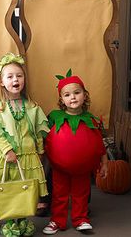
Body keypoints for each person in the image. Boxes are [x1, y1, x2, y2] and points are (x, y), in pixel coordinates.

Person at [36, 0, 87, 217]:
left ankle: (78, 195)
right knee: (47, 134)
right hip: (45, 65)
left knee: (72, 134)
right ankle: (46, 193)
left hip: (74, 66)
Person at [0, 53, 49, 237]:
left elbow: (37, 131)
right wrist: (7, 150)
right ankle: (11, 222)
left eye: (19, 75)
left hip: (28, 156)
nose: (15, 79)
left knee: (26, 190)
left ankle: (24, 221)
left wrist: (40, 150)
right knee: (10, 189)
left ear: (24, 79)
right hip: (7, 157)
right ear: (2, 82)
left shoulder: (32, 106)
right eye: (9, 76)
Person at [43, 70, 108, 235]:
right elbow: (44, 141)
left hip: (83, 169)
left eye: (77, 93)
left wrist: (105, 163)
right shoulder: (54, 118)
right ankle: (57, 220)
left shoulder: (91, 120)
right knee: (59, 194)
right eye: (67, 94)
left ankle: (81, 219)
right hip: (59, 168)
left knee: (82, 193)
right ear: (61, 99)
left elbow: (99, 144)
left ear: (85, 95)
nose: (72, 97)